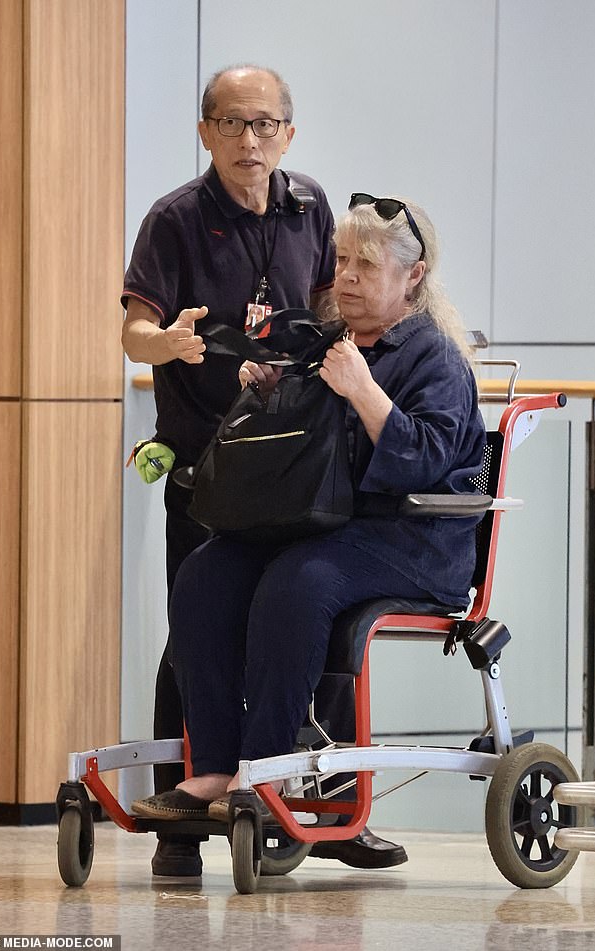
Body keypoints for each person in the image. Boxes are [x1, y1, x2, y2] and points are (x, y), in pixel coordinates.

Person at [121, 65, 406, 876]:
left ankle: (331, 813)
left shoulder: (312, 205)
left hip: (298, 462)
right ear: (205, 131)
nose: (251, 142)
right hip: (209, 466)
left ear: (289, 132)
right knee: (196, 633)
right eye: (234, 125)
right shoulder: (174, 219)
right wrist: (165, 344)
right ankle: (179, 822)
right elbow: (133, 331)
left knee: (319, 620)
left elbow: (331, 310)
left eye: (266, 125)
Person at [130, 195, 487, 842]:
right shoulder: (330, 343)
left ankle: (264, 771)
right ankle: (212, 769)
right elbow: (300, 450)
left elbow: (431, 460)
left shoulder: (434, 360)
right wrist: (266, 389)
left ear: (414, 275)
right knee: (205, 575)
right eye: (342, 259)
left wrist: (364, 390)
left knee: (298, 582)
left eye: (366, 264)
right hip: (325, 527)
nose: (345, 275)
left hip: (413, 538)